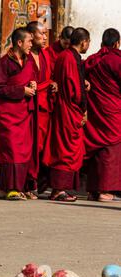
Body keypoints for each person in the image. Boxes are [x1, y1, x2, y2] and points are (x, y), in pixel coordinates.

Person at [42, 28, 92, 202]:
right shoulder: (71, 58)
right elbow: (75, 91)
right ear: (84, 42)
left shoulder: (64, 56)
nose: (88, 45)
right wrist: (83, 109)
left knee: (63, 147)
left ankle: (60, 188)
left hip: (63, 108)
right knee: (66, 150)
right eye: (88, 42)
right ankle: (58, 190)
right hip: (70, 110)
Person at [0, 27, 37, 201]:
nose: (31, 45)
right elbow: (0, 88)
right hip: (8, 113)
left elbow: (30, 78)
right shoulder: (3, 64)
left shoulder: (28, 61)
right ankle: (11, 188)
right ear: (19, 42)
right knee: (11, 150)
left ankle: (7, 188)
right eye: (29, 41)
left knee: (22, 151)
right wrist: (22, 90)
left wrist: (32, 85)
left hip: (23, 113)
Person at [84, 28, 121, 202]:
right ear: (117, 43)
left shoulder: (93, 60)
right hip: (112, 111)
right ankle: (106, 191)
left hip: (95, 109)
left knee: (96, 149)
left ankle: (93, 190)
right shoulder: (116, 60)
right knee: (110, 150)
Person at [26, 21, 58, 196]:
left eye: (46, 34)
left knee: (40, 148)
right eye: (42, 34)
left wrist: (53, 83)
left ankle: (35, 183)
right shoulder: (24, 55)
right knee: (28, 147)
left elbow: (51, 76)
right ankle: (26, 184)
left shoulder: (46, 55)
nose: (45, 37)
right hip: (28, 108)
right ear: (31, 35)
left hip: (44, 108)